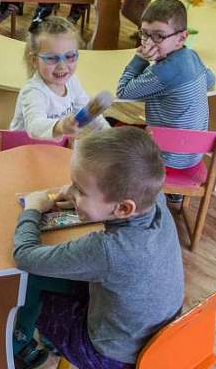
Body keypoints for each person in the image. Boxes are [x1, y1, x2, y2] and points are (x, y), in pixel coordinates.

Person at [13, 128, 184, 369]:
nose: (71, 191)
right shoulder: (155, 200)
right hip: (160, 338)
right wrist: (77, 197)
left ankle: (20, 340)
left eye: (80, 189)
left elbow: (24, 257)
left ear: (123, 208)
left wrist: (32, 209)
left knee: (32, 280)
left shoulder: (108, 251)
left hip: (111, 357)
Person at [116, 0, 215, 199]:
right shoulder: (192, 56)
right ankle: (176, 194)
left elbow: (123, 90)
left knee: (112, 130)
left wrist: (140, 59)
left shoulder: (163, 72)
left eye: (159, 36)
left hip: (166, 159)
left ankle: (135, 192)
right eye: (145, 34)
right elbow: (211, 80)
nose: (148, 42)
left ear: (181, 38)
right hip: (192, 155)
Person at [10, 16, 111, 140]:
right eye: (52, 58)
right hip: (22, 147)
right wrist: (60, 126)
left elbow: (86, 110)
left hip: (53, 145)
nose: (62, 66)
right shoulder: (33, 91)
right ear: (34, 60)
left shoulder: (72, 82)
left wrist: (108, 132)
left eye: (69, 56)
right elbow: (34, 127)